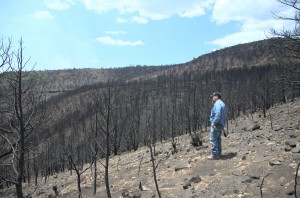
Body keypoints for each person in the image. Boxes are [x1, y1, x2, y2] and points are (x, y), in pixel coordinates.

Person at [207, 92, 226, 160]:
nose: (212, 97)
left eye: (213, 96)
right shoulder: (222, 103)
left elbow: (217, 115)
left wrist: (213, 123)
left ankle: (214, 155)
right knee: (218, 139)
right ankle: (219, 154)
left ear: (216, 96)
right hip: (221, 124)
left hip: (216, 124)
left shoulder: (217, 104)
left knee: (213, 139)